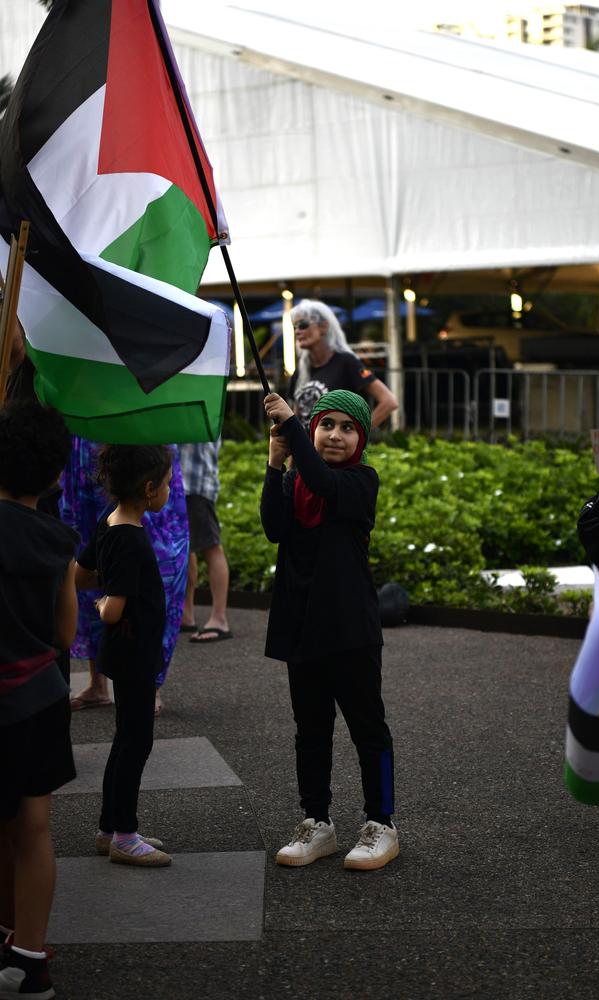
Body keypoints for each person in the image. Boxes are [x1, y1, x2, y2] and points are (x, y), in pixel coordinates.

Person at [261, 388, 399, 871]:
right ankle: (316, 822)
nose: (334, 435)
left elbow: (323, 482)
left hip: (350, 628)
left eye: (347, 428)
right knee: (310, 731)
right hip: (302, 626)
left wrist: (292, 426)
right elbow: (274, 527)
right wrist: (275, 465)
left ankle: (381, 823)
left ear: (361, 438)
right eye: (325, 425)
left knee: (368, 728)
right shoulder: (297, 479)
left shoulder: (361, 481)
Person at [0, 400, 78, 999]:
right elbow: (65, 636)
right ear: (56, 474)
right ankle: (29, 957)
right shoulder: (58, 542)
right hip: (38, 697)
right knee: (34, 828)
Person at [75, 445, 173, 868]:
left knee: (124, 740)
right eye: (167, 484)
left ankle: (108, 827)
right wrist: (102, 604)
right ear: (149, 489)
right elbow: (113, 607)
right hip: (135, 654)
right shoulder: (131, 539)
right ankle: (125, 836)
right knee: (136, 742)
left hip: (123, 652)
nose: (169, 490)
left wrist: (103, 581)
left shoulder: (109, 523)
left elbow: (79, 573)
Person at [61, 437, 189, 716]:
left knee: (146, 562)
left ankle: (142, 685)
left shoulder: (114, 526)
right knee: (134, 736)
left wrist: (112, 584)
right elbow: (106, 606)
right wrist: (110, 595)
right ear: (151, 490)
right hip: (108, 449)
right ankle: (115, 683)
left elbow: (81, 574)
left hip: (136, 444)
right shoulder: (125, 534)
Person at [288, 299, 398, 431]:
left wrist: (358, 435)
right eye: (294, 327)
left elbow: (389, 401)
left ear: (324, 326)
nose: (297, 331)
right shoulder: (301, 368)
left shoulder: (346, 362)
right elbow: (295, 415)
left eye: (303, 325)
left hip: (335, 449)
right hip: (306, 449)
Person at [179, 440, 232, 643]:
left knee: (211, 547)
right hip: (185, 481)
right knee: (186, 546)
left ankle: (219, 618)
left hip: (195, 482)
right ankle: (186, 614)